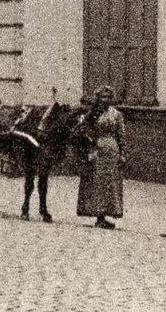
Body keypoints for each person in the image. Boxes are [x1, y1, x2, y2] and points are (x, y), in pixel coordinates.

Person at [74, 86, 125, 229]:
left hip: (112, 150)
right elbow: (83, 129)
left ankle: (108, 213)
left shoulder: (116, 114)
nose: (106, 100)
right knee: (97, 182)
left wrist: (123, 153)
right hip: (96, 149)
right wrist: (90, 144)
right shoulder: (93, 113)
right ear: (98, 98)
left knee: (110, 182)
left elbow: (121, 134)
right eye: (103, 97)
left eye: (108, 97)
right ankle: (99, 216)